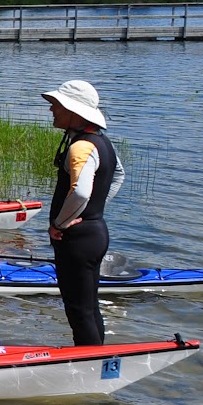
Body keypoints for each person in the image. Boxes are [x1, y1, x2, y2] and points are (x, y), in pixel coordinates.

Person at [43, 79, 125, 345]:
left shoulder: (81, 147)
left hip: (77, 239)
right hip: (94, 232)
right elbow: (119, 175)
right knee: (88, 307)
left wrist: (60, 224)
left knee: (78, 309)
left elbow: (79, 193)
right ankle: (94, 358)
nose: (51, 110)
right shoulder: (101, 141)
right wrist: (93, 211)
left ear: (72, 110)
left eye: (56, 105)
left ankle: (89, 363)